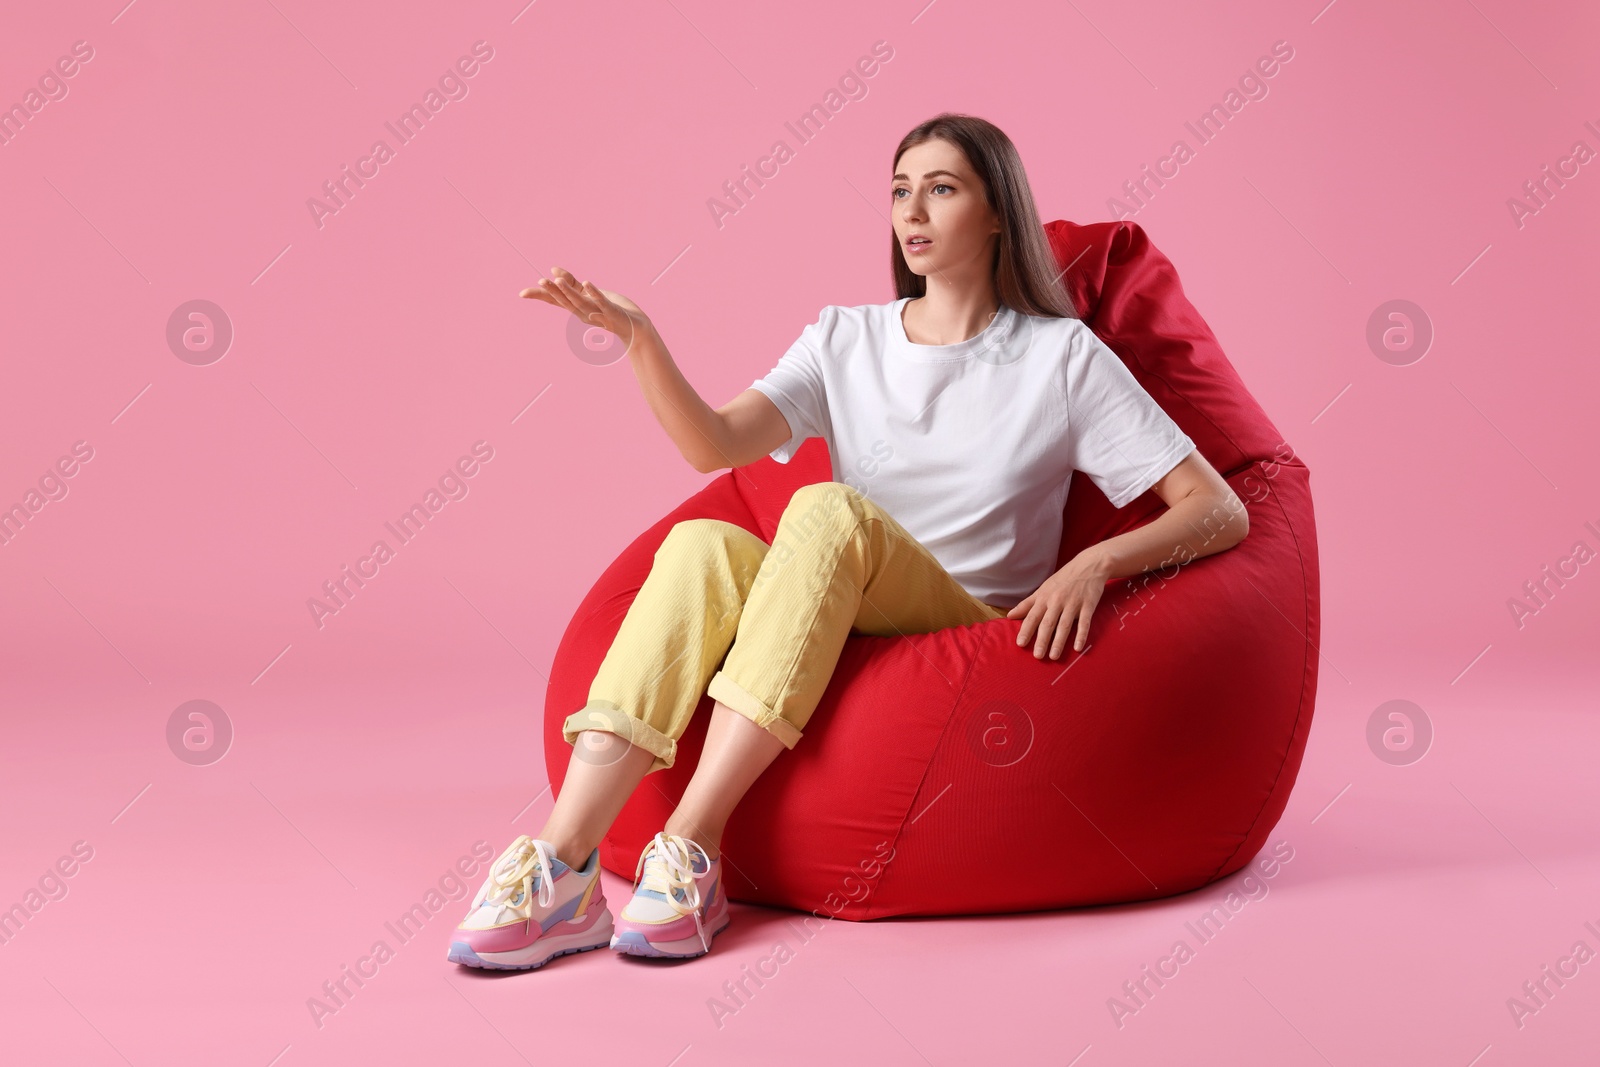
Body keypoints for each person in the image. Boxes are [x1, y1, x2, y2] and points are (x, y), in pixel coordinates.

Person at [447, 112, 1248, 971]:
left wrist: (1097, 561)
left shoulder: (1060, 358)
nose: (914, 211)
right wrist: (642, 341)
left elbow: (1219, 509)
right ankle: (562, 867)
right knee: (699, 547)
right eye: (901, 190)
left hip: (963, 621)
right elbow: (712, 445)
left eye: (942, 189)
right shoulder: (845, 337)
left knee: (828, 511)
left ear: (995, 215)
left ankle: (691, 845)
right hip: (841, 595)